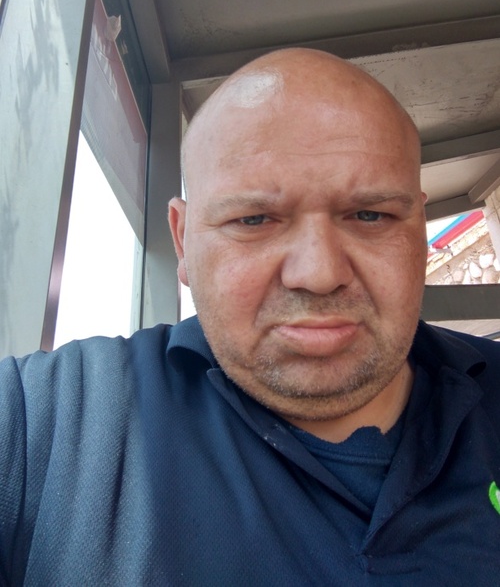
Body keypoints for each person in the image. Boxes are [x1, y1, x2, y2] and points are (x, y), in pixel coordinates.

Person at [1, 48, 499, 586]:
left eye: (370, 215)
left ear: (419, 228)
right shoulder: (41, 427)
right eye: (254, 219)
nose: (319, 273)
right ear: (182, 242)